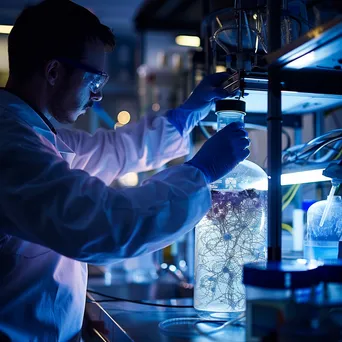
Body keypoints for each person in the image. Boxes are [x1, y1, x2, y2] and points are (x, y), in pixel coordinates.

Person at [0, 0, 250, 340]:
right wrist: (200, 173)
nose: (98, 95)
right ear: (54, 72)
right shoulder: (13, 147)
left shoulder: (34, 134)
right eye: (94, 79)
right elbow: (103, 226)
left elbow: (114, 151)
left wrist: (189, 112)